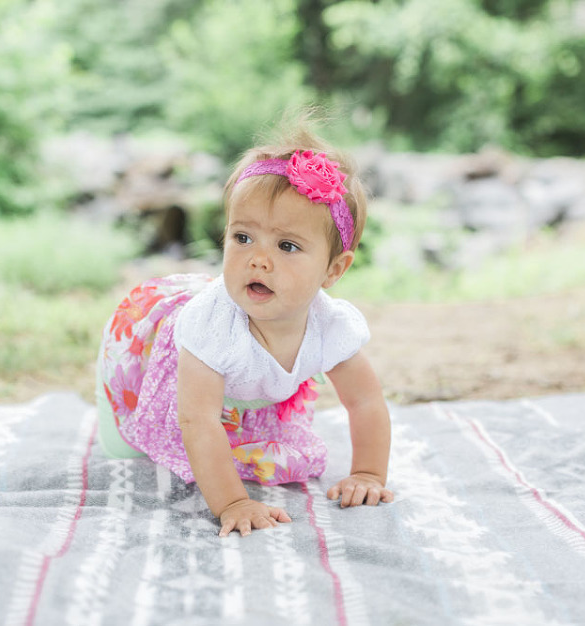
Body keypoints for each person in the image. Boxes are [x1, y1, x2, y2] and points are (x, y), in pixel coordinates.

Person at [96, 122, 394, 537]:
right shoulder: (209, 326)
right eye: (242, 237)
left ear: (333, 269)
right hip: (156, 352)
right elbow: (198, 419)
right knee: (141, 428)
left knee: (254, 430)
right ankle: (124, 420)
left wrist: (368, 473)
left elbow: (365, 402)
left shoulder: (331, 327)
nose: (258, 260)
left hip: (245, 380)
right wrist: (233, 502)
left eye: (287, 246)